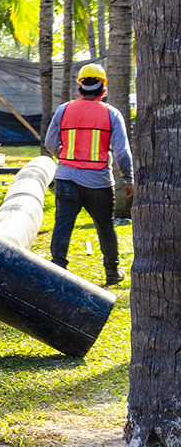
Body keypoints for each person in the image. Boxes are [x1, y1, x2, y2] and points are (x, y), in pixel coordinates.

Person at [44, 63, 133, 286]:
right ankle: (112, 271)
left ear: (80, 88)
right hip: (99, 182)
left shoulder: (64, 109)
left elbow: (50, 142)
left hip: (66, 178)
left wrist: (65, 159)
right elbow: (122, 151)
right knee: (105, 226)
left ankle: (57, 268)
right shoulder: (111, 113)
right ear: (103, 88)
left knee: (63, 224)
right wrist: (128, 179)